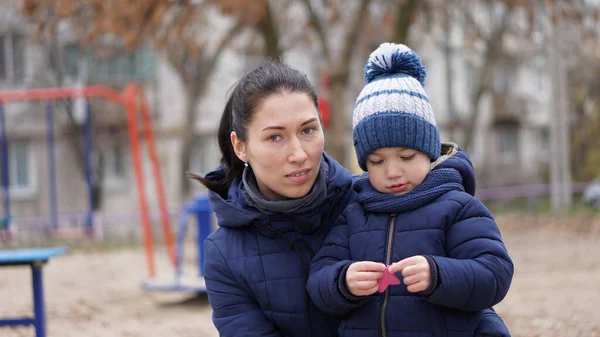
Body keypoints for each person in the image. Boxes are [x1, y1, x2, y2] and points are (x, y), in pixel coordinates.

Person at [306, 43, 514, 337]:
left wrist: (438, 275)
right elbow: (318, 277)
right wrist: (342, 281)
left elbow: (495, 273)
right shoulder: (355, 212)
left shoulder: (457, 207)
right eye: (377, 161)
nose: (393, 171)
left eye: (406, 157)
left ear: (428, 152)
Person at [190, 60, 355, 337]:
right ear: (240, 147)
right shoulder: (224, 255)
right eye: (276, 137)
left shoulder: (367, 204)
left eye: (307, 130)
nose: (299, 154)